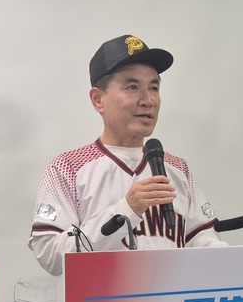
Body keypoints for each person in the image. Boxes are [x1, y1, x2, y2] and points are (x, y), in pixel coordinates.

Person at [28, 34, 226, 274]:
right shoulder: (67, 167)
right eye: (132, 87)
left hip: (170, 298)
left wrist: (228, 259)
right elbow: (50, 255)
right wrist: (125, 211)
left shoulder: (177, 168)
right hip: (102, 298)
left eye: (154, 88)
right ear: (98, 99)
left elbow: (201, 238)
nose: (148, 100)